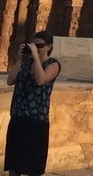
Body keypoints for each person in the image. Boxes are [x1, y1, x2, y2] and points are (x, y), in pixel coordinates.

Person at [4, 29, 61, 176]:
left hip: (36, 121)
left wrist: (36, 57)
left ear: (49, 46)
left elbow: (41, 80)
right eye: (34, 45)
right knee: (14, 165)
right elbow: (10, 80)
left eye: (40, 46)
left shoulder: (53, 64)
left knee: (32, 167)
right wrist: (20, 58)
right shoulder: (26, 62)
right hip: (18, 117)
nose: (37, 48)